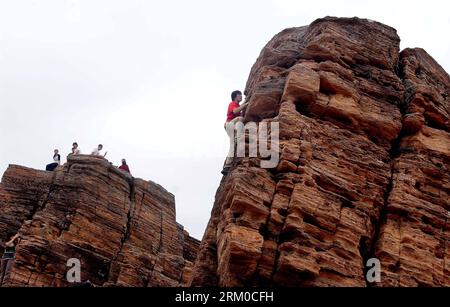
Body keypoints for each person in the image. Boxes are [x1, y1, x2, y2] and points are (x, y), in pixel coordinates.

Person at [222, 90, 249, 175]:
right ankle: (238, 136)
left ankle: (227, 166)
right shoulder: (232, 104)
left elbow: (239, 107)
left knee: (233, 144)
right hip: (230, 124)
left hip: (231, 125)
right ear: (235, 97)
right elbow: (235, 111)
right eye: (239, 95)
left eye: (241, 95)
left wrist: (245, 100)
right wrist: (245, 104)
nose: (240, 96)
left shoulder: (237, 105)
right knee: (240, 119)